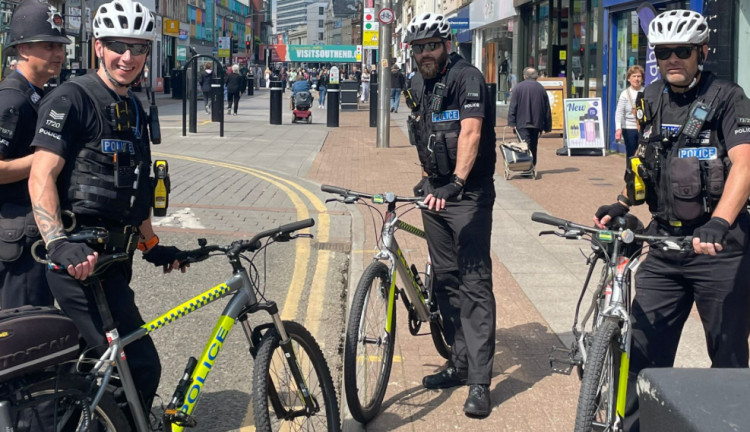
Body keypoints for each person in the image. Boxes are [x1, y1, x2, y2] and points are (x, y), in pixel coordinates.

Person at [28, 0, 187, 422]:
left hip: (116, 262)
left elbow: (136, 187)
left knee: (90, 372)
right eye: (118, 45)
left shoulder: (134, 107)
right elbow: (41, 175)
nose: (128, 57)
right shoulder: (70, 98)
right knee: (139, 367)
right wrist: (58, 243)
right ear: (98, 46)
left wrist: (152, 245)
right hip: (80, 263)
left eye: (138, 48)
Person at [592, 10, 750, 432]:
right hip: (664, 246)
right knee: (641, 350)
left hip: (719, 248)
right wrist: (624, 202)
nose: (672, 59)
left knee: (729, 358)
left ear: (702, 51)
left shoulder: (728, 97)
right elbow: (647, 162)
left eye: (682, 51)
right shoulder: (652, 98)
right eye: (664, 52)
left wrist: (719, 222)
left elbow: (744, 165)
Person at [405, 13, 497, 417]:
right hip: (435, 197)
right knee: (446, 282)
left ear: (446, 44)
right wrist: (428, 180)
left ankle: (479, 383)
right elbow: (423, 135)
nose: (424, 53)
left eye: (431, 45)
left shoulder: (468, 77)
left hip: (468, 195)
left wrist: (455, 184)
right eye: (418, 47)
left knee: (474, 284)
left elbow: (471, 133)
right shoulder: (418, 85)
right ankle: (459, 364)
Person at [0, 0, 70, 309]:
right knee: (23, 329)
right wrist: (48, 158)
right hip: (15, 237)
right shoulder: (12, 99)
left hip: (29, 233)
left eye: (60, 45)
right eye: (48, 45)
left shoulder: (35, 93)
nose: (58, 53)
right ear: (23, 49)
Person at [507, 67, 551, 169]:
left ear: (524, 76)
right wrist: (547, 126)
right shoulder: (541, 89)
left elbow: (513, 106)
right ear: (536, 76)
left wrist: (512, 123)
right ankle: (532, 166)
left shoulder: (518, 88)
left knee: (524, 145)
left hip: (522, 122)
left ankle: (525, 167)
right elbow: (547, 109)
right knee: (533, 145)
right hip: (537, 123)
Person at [614, 65, 645, 159]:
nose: (636, 79)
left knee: (643, 154)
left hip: (643, 128)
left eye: (639, 76)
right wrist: (618, 128)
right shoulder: (624, 94)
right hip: (629, 128)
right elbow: (619, 112)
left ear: (642, 79)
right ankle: (630, 172)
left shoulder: (647, 92)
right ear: (629, 78)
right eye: (634, 76)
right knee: (631, 154)